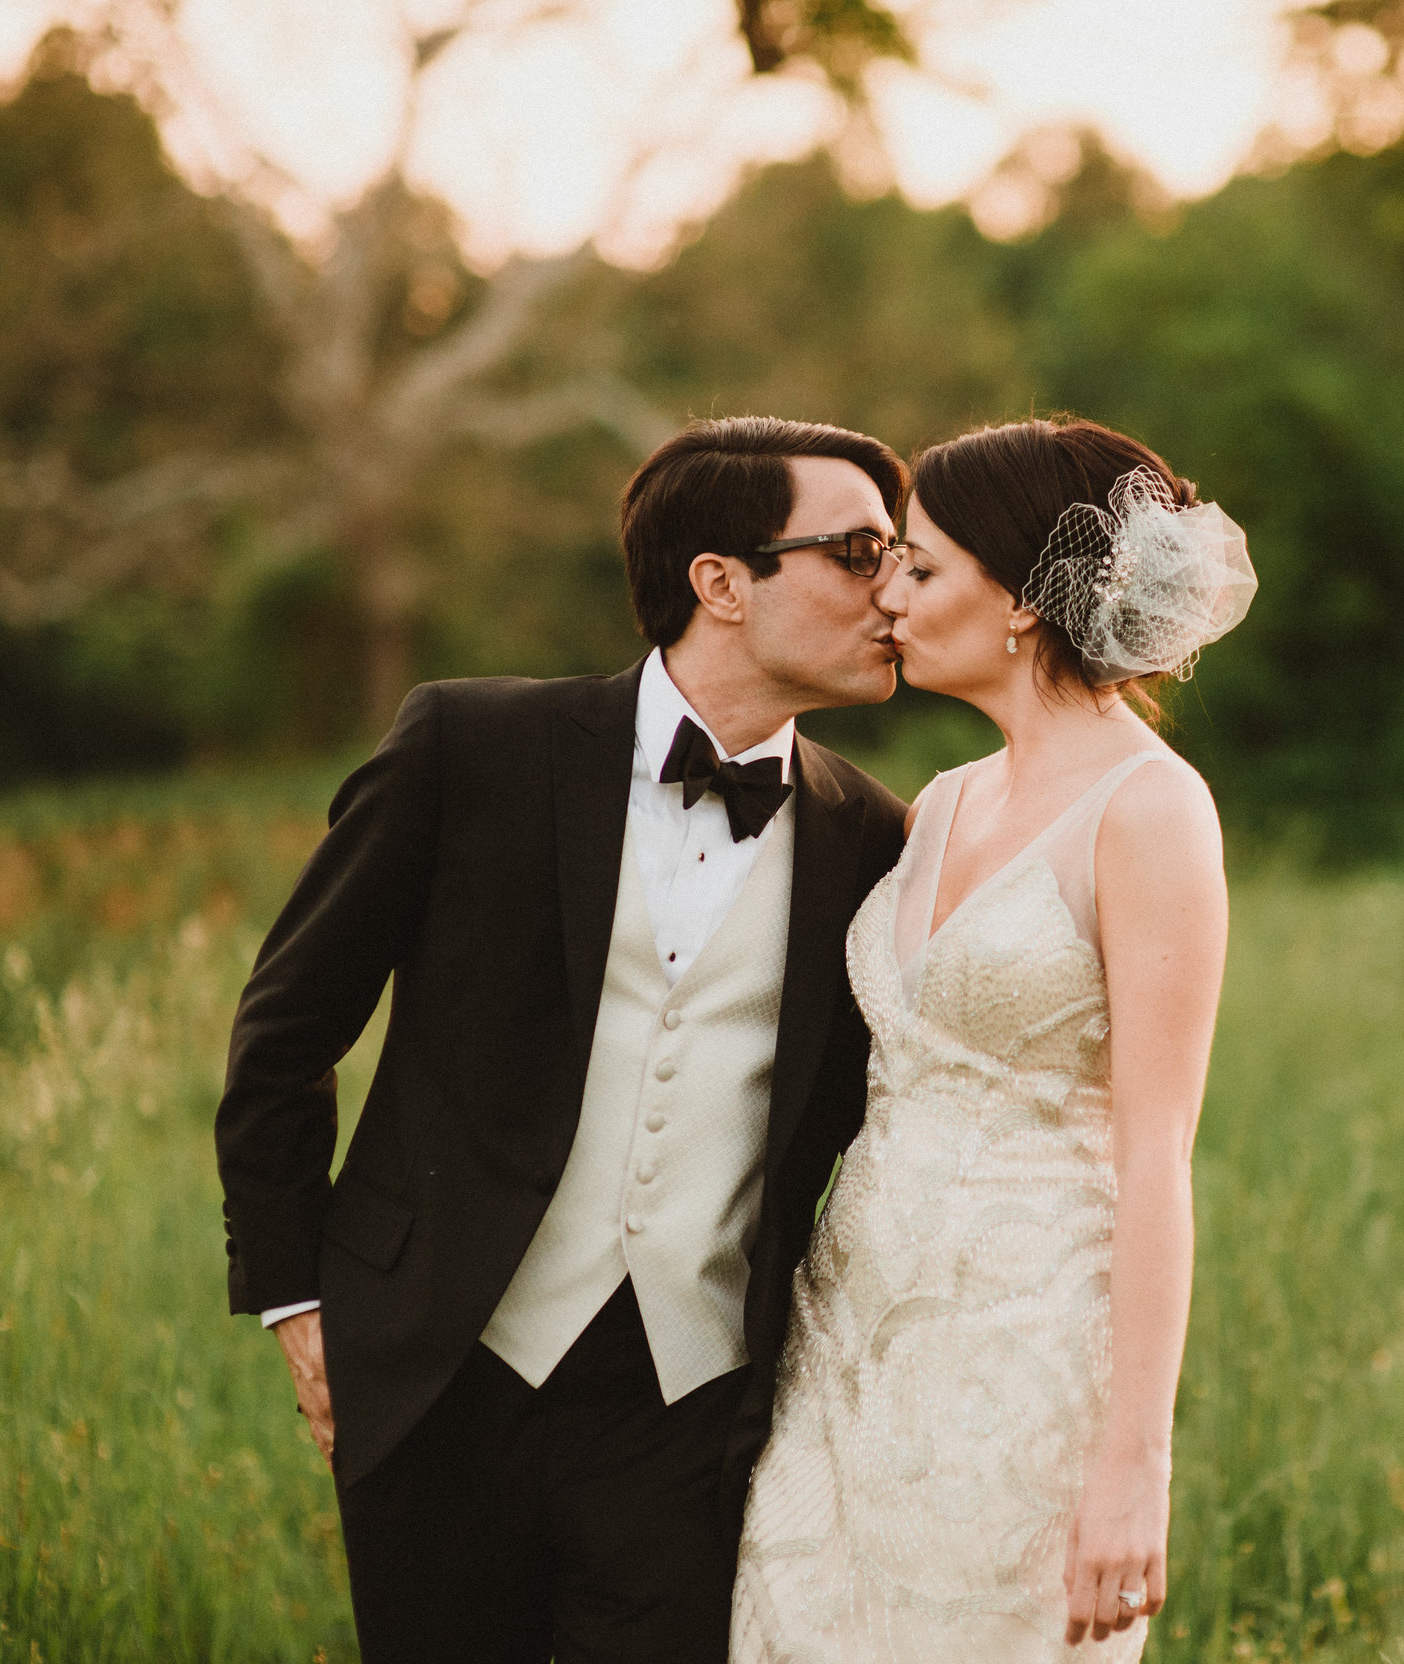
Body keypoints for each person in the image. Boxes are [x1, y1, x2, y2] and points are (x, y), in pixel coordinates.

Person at [213, 416, 913, 1664]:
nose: (895, 589)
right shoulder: (468, 744)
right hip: (439, 1368)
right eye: (859, 550)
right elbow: (286, 1023)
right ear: (721, 582)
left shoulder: (879, 838)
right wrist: (293, 1292)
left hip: (693, 1407)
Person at [730, 417, 1256, 1661]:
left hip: (1018, 1373)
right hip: (843, 1349)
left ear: (1023, 597)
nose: (888, 597)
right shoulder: (949, 799)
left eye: (919, 567)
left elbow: (1157, 1153)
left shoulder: (1152, 810)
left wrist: (1133, 1465)